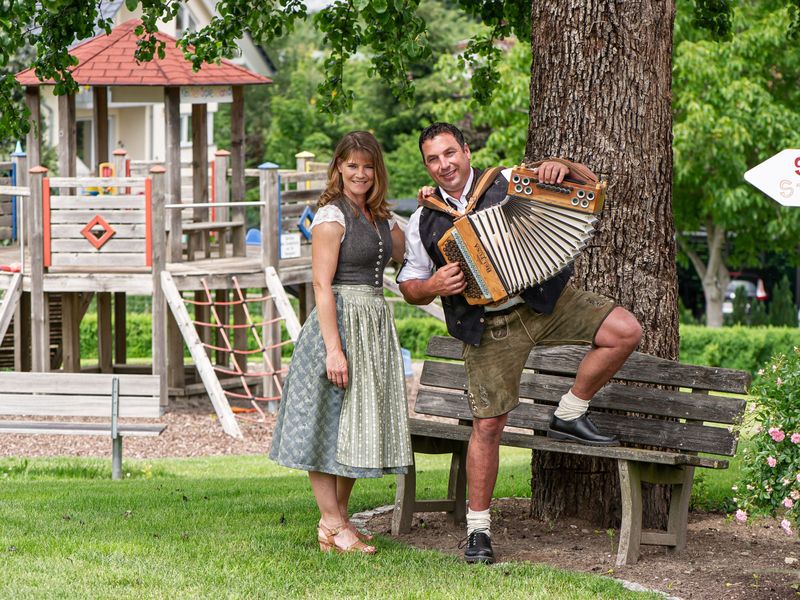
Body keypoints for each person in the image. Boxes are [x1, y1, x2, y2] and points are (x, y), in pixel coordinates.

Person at [397, 122, 642, 564]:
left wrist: (559, 166)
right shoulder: (423, 219)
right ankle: (478, 533)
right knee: (488, 426)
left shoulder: (506, 180)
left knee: (624, 331)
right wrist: (433, 284)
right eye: (433, 159)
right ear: (426, 165)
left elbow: (584, 185)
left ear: (466, 151)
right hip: (489, 326)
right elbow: (409, 285)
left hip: (544, 299)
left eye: (450, 153)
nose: (444, 165)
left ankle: (569, 413)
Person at [269, 131, 412, 555]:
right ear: (338, 168)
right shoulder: (331, 217)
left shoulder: (379, 218)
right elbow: (321, 285)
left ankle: (337, 523)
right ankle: (332, 520)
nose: (360, 174)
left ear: (377, 171)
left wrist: (430, 207)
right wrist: (334, 348)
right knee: (325, 425)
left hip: (374, 325)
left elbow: (408, 253)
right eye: (352, 165)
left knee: (357, 425)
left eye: (368, 166)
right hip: (341, 324)